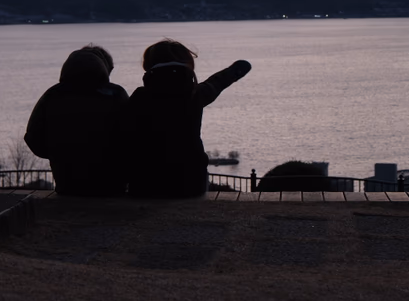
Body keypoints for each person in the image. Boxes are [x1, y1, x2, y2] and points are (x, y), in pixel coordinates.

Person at [127, 39, 251, 198]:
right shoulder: (195, 94)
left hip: (146, 183)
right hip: (191, 182)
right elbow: (217, 82)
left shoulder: (140, 97)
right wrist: (235, 71)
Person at [24, 45, 129, 196]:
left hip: (67, 181)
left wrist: (59, 153)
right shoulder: (116, 94)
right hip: (112, 183)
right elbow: (131, 133)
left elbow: (33, 137)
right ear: (104, 68)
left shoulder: (53, 95)